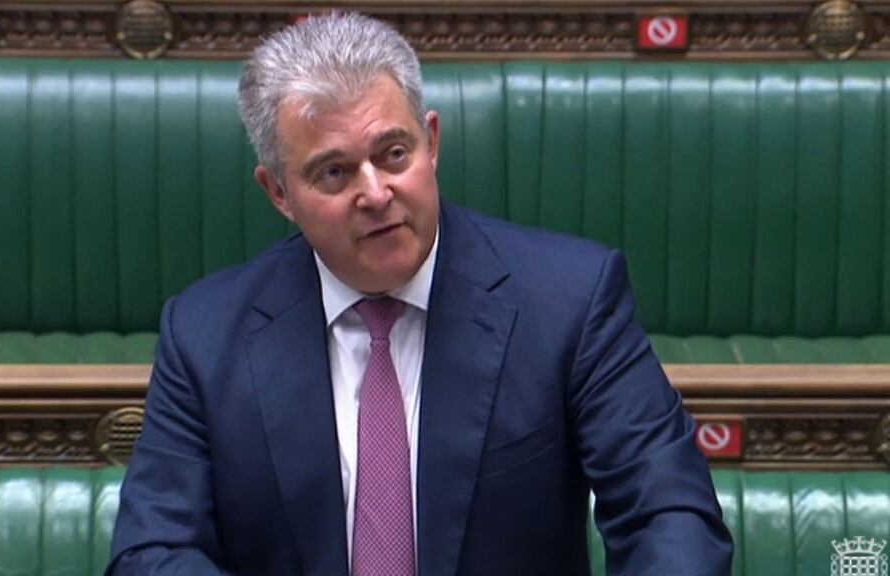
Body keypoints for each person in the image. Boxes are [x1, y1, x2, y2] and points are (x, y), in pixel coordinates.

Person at [107, 12, 733, 576]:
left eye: (394, 153)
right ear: (279, 193)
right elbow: (152, 550)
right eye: (334, 171)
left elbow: (669, 513)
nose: (376, 193)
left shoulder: (571, 300)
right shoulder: (204, 336)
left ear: (431, 142)